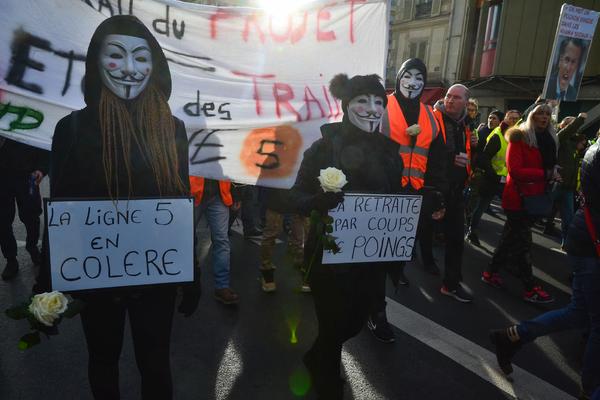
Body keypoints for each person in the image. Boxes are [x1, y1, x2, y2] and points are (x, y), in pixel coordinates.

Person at [38, 15, 200, 399]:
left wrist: (190, 268)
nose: (130, 68)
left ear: (154, 66)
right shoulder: (72, 129)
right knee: (103, 360)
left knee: (156, 363)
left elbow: (178, 202)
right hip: (98, 280)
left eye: (142, 58)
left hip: (155, 281)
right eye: (115, 55)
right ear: (95, 62)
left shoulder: (171, 129)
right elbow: (60, 210)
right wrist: (45, 284)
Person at [293, 73, 403, 399]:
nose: (372, 109)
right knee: (332, 322)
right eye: (362, 101)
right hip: (329, 258)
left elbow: (396, 200)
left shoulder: (389, 154)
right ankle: (327, 379)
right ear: (346, 105)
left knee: (354, 322)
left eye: (379, 102)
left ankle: (317, 355)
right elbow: (294, 197)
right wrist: (317, 201)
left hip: (369, 260)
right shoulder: (323, 148)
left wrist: (424, 206)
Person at [490, 137, 600, 399]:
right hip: (591, 243)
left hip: (586, 238)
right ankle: (590, 386)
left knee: (580, 314)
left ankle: (512, 337)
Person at [373, 57, 447, 342]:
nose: (414, 82)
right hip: (381, 193)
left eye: (419, 77)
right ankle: (377, 311)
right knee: (377, 256)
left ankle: (387, 281)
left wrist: (437, 195)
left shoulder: (431, 115)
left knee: (395, 254)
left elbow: (438, 160)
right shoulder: (382, 105)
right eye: (408, 75)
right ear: (399, 78)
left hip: (413, 194)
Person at [484, 104, 557, 303]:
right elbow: (514, 171)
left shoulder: (550, 139)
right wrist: (544, 174)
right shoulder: (519, 137)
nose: (544, 117)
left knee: (508, 239)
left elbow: (547, 165)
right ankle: (529, 287)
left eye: (548, 114)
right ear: (531, 115)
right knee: (523, 245)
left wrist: (553, 172)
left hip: (535, 197)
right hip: (517, 199)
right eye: (540, 113)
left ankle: (490, 273)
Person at [433, 84, 477, 303]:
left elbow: (466, 154)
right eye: (448, 96)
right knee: (414, 234)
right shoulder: (433, 119)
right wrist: (450, 160)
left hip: (456, 191)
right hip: (433, 190)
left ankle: (451, 284)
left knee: (456, 239)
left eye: (456, 97)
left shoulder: (465, 125)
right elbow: (424, 152)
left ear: (466, 103)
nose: (450, 100)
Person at [0, 139, 48, 280]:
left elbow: (40, 139)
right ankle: (11, 259)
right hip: (2, 175)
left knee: (32, 216)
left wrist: (42, 168)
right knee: (2, 220)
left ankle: (32, 247)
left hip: (28, 175)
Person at [190, 176, 240, 304]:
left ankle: (222, 286)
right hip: (191, 194)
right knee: (186, 240)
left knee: (222, 241)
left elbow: (232, 165)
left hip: (219, 196)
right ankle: (184, 278)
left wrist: (236, 194)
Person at [545, 113, 588, 247]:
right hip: (556, 184)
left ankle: (566, 242)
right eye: (571, 124)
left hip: (568, 187)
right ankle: (524, 234)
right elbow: (568, 131)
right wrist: (580, 119)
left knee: (568, 218)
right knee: (539, 210)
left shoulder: (574, 144)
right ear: (563, 126)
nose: (575, 127)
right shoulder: (560, 139)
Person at [466, 110, 507, 246]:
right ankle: (470, 227)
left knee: (484, 204)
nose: (490, 120)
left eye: (494, 118)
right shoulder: (482, 131)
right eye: (489, 117)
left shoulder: (503, 135)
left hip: (498, 177)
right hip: (480, 173)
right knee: (475, 201)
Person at [258, 187, 306, 292]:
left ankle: (303, 263)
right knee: (271, 234)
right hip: (277, 195)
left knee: (302, 235)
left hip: (299, 194)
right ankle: (267, 272)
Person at [546, 37, 586, 101]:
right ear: (560, 60)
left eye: (573, 62)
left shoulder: (573, 94)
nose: (568, 68)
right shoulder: (547, 87)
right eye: (567, 60)